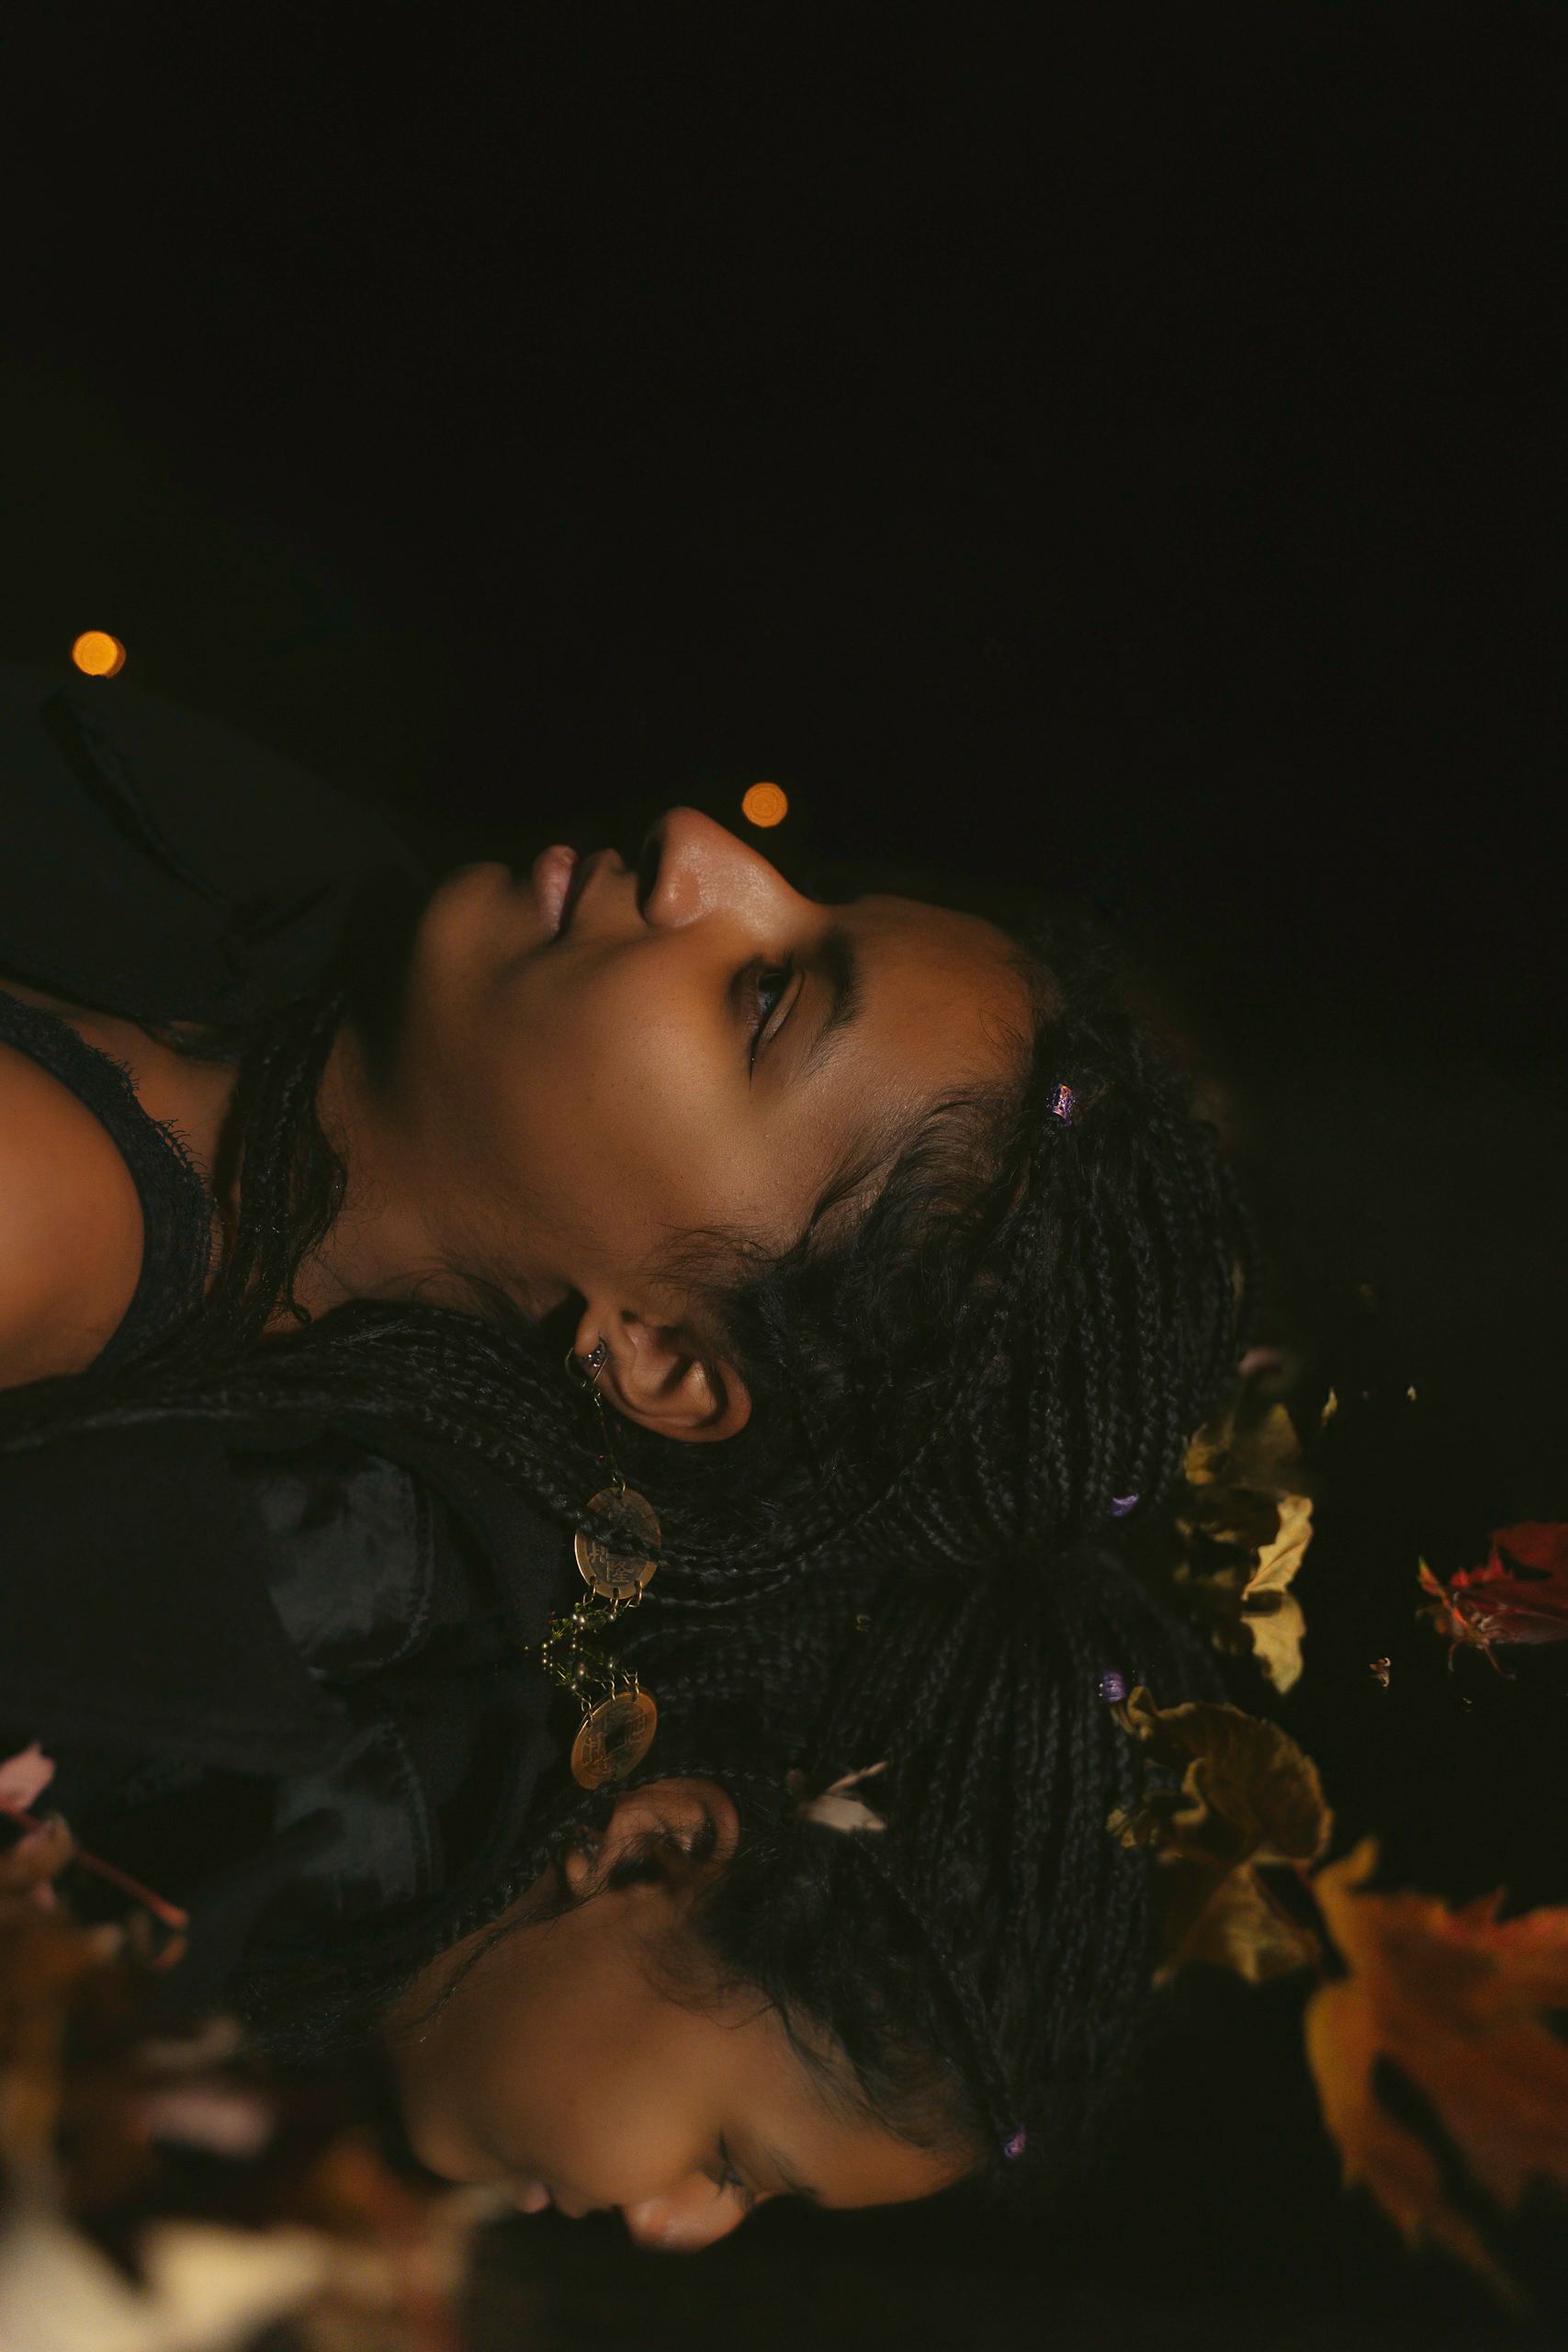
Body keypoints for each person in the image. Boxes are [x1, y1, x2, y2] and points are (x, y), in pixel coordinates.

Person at [0, 661, 1252, 1595]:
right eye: (813, 890)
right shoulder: (259, 931)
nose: (700, 848)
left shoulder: (34, 1219)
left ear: (659, 1357)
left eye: (765, 998)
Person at [0, 1396, 1214, 2253]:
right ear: (655, 1850)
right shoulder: (298, 1608)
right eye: (732, 2164)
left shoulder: (316, 2007)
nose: (674, 2225)